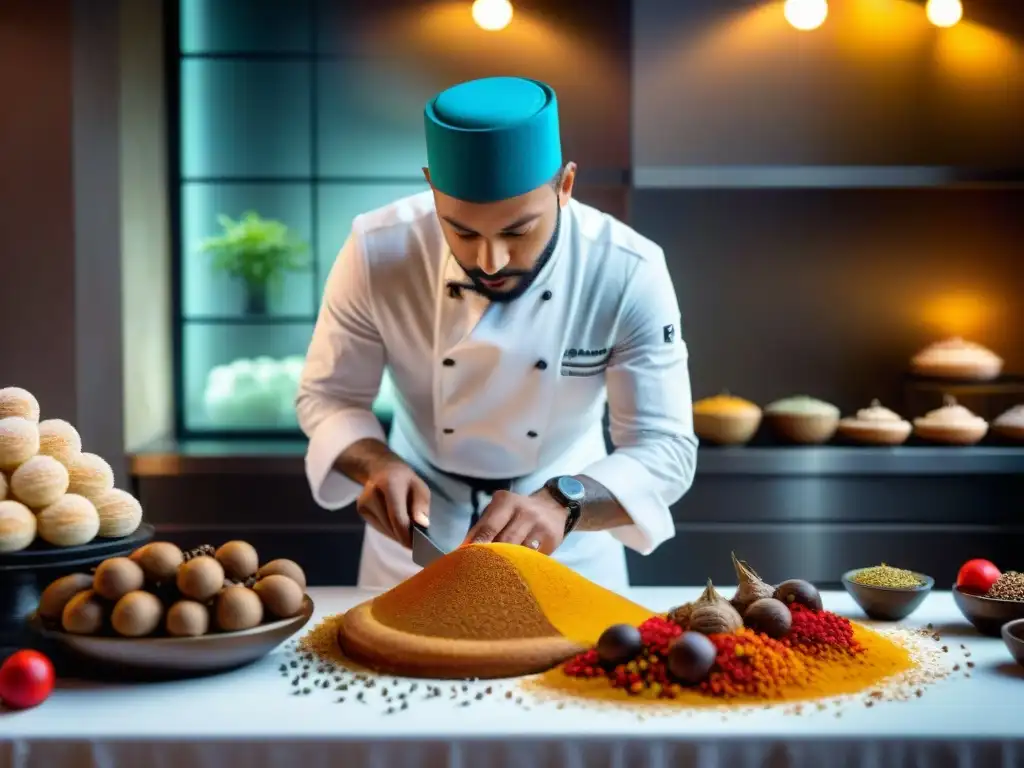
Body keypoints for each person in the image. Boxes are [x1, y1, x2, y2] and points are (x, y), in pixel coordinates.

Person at [297, 76, 698, 593]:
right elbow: (329, 397)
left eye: (517, 231)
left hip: (566, 539)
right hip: (416, 541)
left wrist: (565, 504)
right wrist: (376, 465)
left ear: (565, 186)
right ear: (431, 187)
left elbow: (663, 446)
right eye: (462, 231)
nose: (490, 262)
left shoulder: (625, 269)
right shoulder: (378, 248)